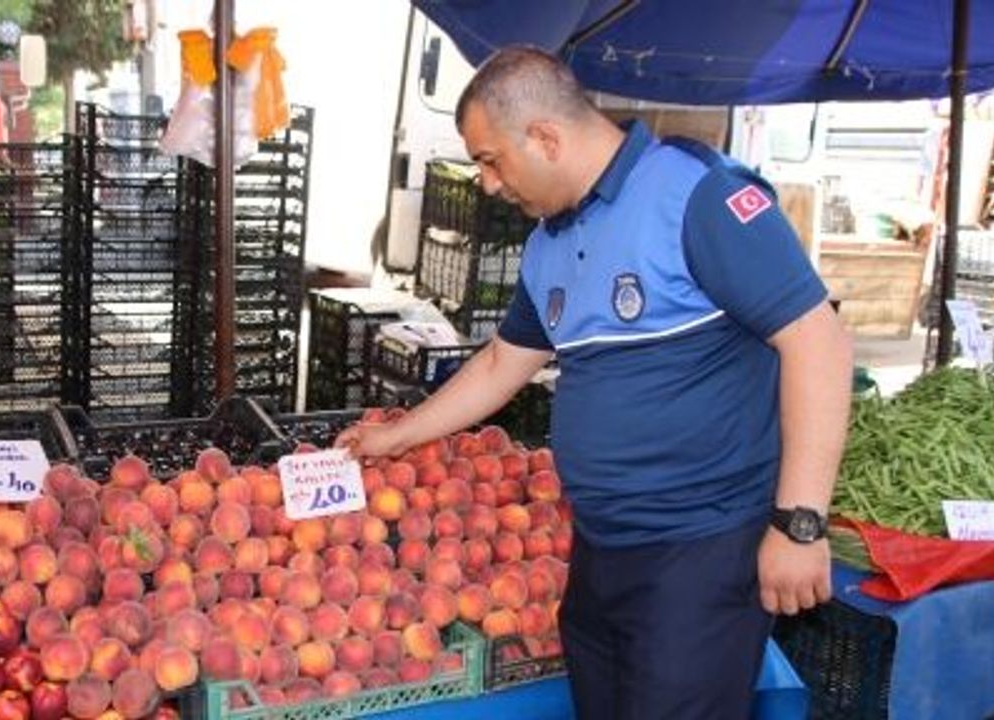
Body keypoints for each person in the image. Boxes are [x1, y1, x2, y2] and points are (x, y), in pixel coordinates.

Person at [338, 47, 853, 719]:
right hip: (603, 549)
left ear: (546, 138)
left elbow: (819, 342)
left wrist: (800, 524)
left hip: (699, 550)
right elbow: (502, 362)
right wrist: (399, 433)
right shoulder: (548, 244)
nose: (488, 184)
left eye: (490, 160)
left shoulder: (698, 196)